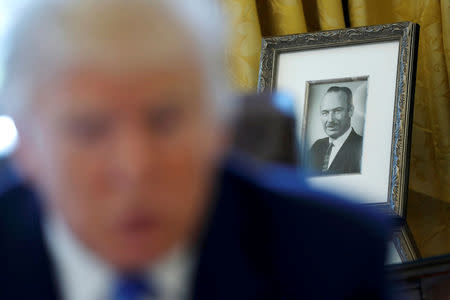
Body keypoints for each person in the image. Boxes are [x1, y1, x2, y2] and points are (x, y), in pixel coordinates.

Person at [0, 1, 389, 299]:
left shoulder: (335, 255)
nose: (135, 166)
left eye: (164, 121)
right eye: (89, 129)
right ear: (26, 148)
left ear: (218, 126)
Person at [308, 86, 363, 175]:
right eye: (325, 113)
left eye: (337, 111)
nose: (330, 120)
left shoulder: (363, 147)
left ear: (350, 111)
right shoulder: (316, 146)